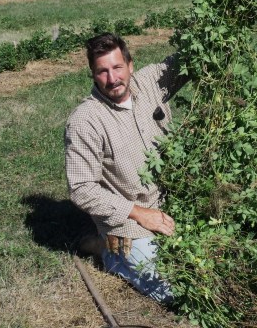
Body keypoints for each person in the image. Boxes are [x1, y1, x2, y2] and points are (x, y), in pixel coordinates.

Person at [64, 33, 186, 304]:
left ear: (130, 65)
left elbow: (191, 58)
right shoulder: (86, 122)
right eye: (102, 72)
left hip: (174, 199)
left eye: (118, 67)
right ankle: (110, 252)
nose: (112, 78)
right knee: (177, 293)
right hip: (129, 221)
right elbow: (82, 190)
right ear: (93, 75)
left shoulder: (150, 82)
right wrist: (139, 214)